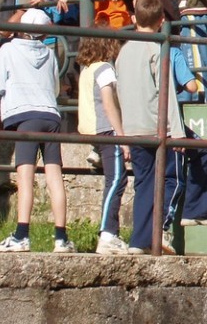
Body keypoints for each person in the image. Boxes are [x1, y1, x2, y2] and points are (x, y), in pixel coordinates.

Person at [116, 0, 207, 255]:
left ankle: (139, 240)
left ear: (134, 18)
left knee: (144, 184)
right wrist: (178, 133)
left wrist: (123, 131)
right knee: (193, 157)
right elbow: (168, 94)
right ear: (162, 21)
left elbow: (120, 92)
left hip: (134, 127)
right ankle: (192, 211)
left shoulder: (123, 52)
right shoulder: (158, 50)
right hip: (158, 127)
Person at [0, 8, 76, 253]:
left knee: (25, 177)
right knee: (54, 177)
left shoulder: (8, 49)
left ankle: (21, 235)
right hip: (50, 115)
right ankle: (61, 237)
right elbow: (56, 87)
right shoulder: (49, 54)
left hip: (24, 116)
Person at [76, 35, 130, 255]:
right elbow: (108, 104)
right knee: (117, 179)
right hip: (108, 130)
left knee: (113, 178)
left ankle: (109, 232)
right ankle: (108, 233)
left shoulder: (87, 70)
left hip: (91, 130)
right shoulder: (105, 69)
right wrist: (122, 136)